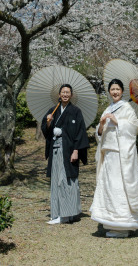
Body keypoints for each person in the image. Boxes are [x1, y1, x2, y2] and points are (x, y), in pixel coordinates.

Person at [90, 78, 138, 238]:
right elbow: (100, 135)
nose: (115, 92)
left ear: (122, 91)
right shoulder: (108, 108)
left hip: (121, 155)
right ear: (109, 91)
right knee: (109, 187)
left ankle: (123, 225)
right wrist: (101, 125)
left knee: (119, 187)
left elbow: (134, 129)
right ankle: (110, 222)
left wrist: (118, 122)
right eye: (112, 89)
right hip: (109, 154)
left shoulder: (127, 108)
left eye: (118, 89)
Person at [40, 83, 89, 224]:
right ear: (59, 95)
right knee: (56, 181)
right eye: (63, 92)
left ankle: (68, 214)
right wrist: (48, 123)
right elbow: (46, 131)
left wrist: (76, 151)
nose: (65, 94)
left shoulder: (76, 111)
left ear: (71, 95)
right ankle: (57, 213)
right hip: (55, 151)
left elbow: (80, 132)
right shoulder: (53, 111)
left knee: (67, 181)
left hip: (69, 151)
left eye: (68, 92)